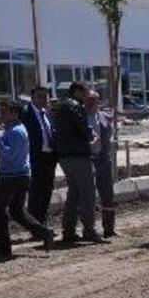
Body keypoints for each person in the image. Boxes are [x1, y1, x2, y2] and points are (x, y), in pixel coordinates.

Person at [0, 100, 55, 260]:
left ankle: (3, 248)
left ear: (15, 113)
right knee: (17, 211)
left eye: (4, 111)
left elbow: (9, 154)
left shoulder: (16, 131)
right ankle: (44, 233)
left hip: (11, 176)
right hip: (18, 176)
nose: (1, 114)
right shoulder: (11, 129)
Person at [53, 82, 104, 244]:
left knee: (74, 194)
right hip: (78, 156)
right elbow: (82, 128)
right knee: (88, 194)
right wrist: (92, 136)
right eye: (84, 93)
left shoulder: (61, 106)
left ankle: (68, 230)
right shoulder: (75, 106)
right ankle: (89, 230)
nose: (86, 97)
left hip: (64, 156)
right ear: (77, 92)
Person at [21, 85, 58, 226]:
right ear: (33, 97)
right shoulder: (25, 113)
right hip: (35, 158)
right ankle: (35, 224)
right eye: (40, 96)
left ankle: (43, 220)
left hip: (49, 157)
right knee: (35, 191)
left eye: (46, 96)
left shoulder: (48, 113)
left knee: (47, 189)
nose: (44, 99)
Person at [86, 91, 117, 237]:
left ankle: (109, 228)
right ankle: (89, 229)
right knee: (88, 196)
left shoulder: (104, 118)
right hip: (87, 161)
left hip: (103, 160)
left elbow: (109, 135)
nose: (91, 102)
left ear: (99, 101)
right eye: (89, 99)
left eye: (94, 99)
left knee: (107, 195)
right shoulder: (80, 117)